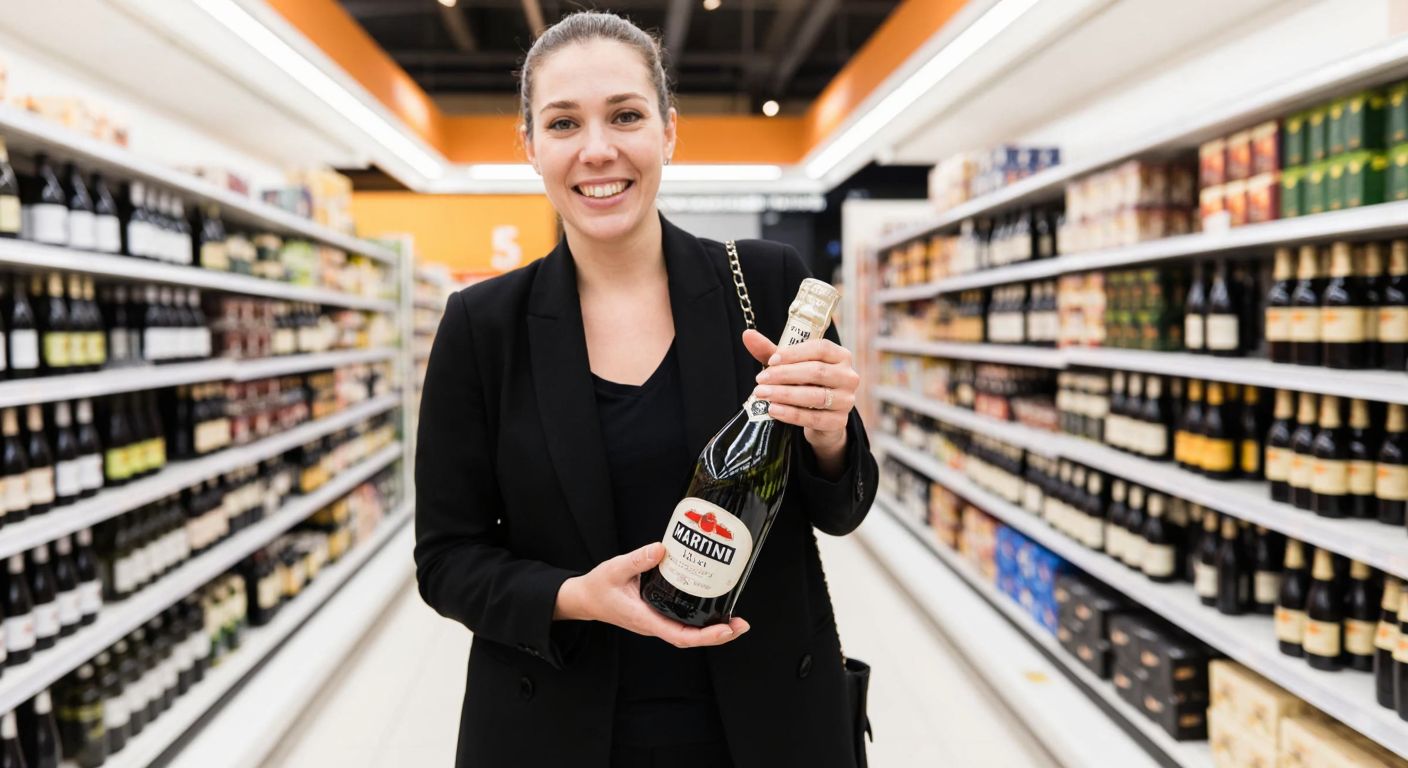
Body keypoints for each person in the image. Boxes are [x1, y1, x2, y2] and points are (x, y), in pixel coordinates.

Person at [414, 10, 878, 768]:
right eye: (564, 123)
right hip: (558, 728)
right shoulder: (483, 326)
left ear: (668, 130)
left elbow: (842, 509)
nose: (599, 150)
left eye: (625, 115)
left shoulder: (766, 285)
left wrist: (829, 433)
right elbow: (446, 559)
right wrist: (574, 597)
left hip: (763, 728)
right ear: (531, 147)